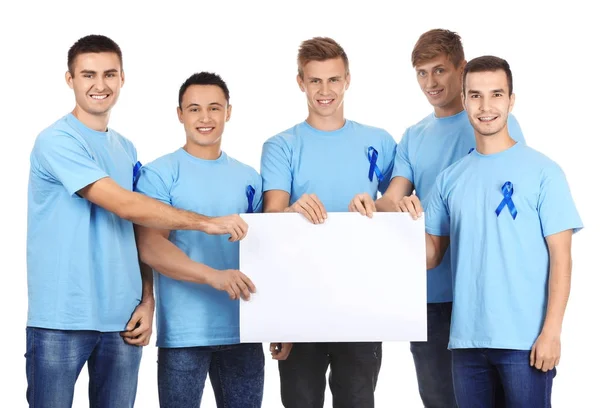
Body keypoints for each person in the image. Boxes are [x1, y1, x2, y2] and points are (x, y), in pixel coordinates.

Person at [26, 35, 248, 408]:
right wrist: (206, 223)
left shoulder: (125, 148)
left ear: (122, 79)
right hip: (62, 318)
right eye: (88, 75)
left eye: (110, 74)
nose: (100, 85)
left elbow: (138, 234)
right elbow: (125, 205)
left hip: (123, 320)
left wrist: (147, 299)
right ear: (70, 80)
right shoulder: (56, 140)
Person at [402, 55, 582, 407]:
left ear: (511, 101)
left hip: (525, 342)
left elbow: (562, 259)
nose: (486, 106)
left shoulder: (544, 171)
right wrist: (408, 224)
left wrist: (552, 332)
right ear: (465, 99)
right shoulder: (451, 178)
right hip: (466, 342)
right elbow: (431, 255)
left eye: (496, 94)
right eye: (476, 95)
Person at [375, 29, 525, 408]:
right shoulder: (413, 136)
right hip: (430, 294)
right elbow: (393, 196)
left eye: (439, 70)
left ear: (461, 68)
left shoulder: (493, 120)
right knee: (439, 399)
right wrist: (371, 206)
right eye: (422, 73)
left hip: (485, 290)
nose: (431, 82)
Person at [260, 36, 396, 408]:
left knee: (357, 400)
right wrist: (292, 211)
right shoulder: (281, 145)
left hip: (362, 298)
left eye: (333, 80)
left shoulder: (379, 141)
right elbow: (271, 218)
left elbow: (399, 206)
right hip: (300, 298)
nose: (325, 90)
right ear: (300, 82)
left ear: (347, 80)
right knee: (301, 401)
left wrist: (379, 204)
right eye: (315, 80)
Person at [134, 72, 264, 408]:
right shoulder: (159, 173)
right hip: (185, 334)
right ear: (180, 114)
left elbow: (266, 251)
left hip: (246, 330)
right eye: (194, 109)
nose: (205, 118)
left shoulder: (250, 177)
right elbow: (150, 247)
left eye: (214, 108)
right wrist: (214, 277)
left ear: (228, 112)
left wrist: (279, 321)